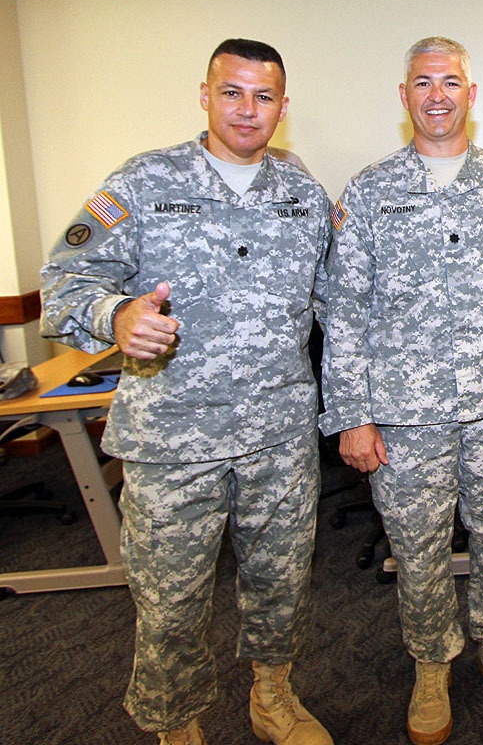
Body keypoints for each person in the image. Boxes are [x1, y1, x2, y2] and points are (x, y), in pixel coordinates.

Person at [40, 38, 335, 745]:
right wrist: (117, 316)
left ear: (283, 108)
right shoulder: (144, 183)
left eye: (263, 97)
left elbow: (340, 305)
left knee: (281, 584)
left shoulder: (303, 197)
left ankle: (272, 698)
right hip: (173, 439)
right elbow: (63, 282)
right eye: (231, 92)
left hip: (277, 437)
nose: (246, 109)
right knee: (170, 600)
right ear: (204, 94)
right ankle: (179, 724)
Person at [321, 37, 483, 745]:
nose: (438, 95)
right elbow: (344, 311)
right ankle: (432, 662)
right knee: (418, 543)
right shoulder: (369, 193)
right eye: (423, 83)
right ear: (404, 97)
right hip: (405, 416)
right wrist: (352, 415)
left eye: (451, 82)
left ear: (472, 95)